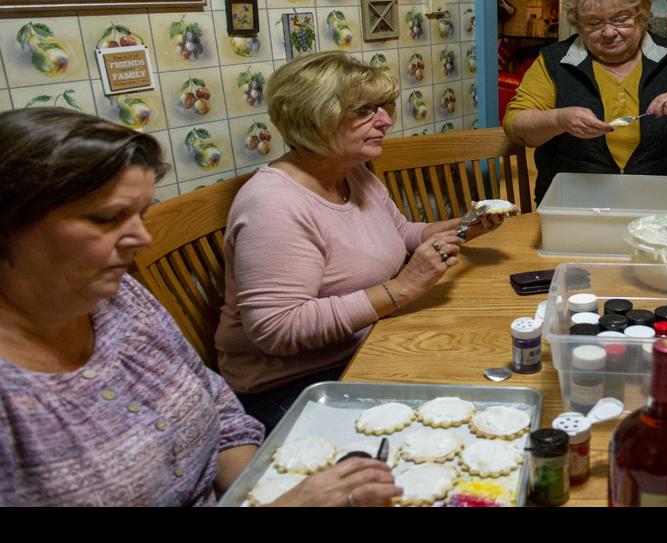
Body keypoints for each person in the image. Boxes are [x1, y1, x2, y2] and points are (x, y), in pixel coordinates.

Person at [0, 109, 399, 506]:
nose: (142, 239)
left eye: (140, 214)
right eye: (106, 218)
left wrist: (268, 491)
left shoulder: (120, 299)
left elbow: (222, 416)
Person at [218, 52, 506, 431]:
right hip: (293, 386)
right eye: (365, 111)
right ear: (316, 115)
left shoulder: (351, 172)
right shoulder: (274, 204)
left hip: (367, 347)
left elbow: (400, 233)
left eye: (384, 107)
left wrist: (465, 227)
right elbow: (276, 328)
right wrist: (401, 289)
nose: (385, 120)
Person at [504, 0, 667, 201]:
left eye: (621, 20)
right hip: (573, 207)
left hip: (658, 207)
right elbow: (517, 126)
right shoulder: (554, 61)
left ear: (641, 15)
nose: (609, 32)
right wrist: (558, 119)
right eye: (594, 23)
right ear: (578, 24)